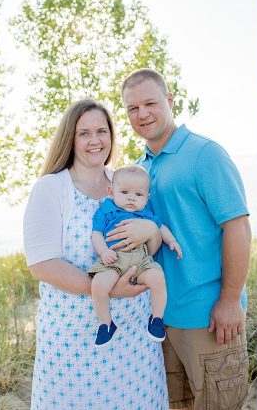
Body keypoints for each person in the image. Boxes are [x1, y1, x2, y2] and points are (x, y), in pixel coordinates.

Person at [108, 69, 251, 409]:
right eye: (132, 108)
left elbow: (238, 228)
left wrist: (230, 301)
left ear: (170, 101)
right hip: (159, 322)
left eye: (151, 103)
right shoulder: (139, 170)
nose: (142, 114)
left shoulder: (205, 154)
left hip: (209, 319)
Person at [23, 99, 167, 409]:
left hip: (136, 340)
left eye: (102, 131)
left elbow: (149, 249)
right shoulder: (51, 188)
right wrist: (110, 290)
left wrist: (152, 232)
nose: (95, 140)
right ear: (70, 139)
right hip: (74, 339)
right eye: (84, 133)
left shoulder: (123, 183)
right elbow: (42, 265)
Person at [89, 163, 182, 346]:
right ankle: (106, 324)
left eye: (138, 194)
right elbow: (96, 233)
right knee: (98, 284)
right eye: (124, 192)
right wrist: (104, 251)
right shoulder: (106, 211)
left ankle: (156, 319)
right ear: (111, 191)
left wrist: (172, 241)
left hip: (141, 260)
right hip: (114, 258)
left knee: (157, 277)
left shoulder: (145, 214)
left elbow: (160, 228)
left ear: (146, 198)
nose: (131, 198)